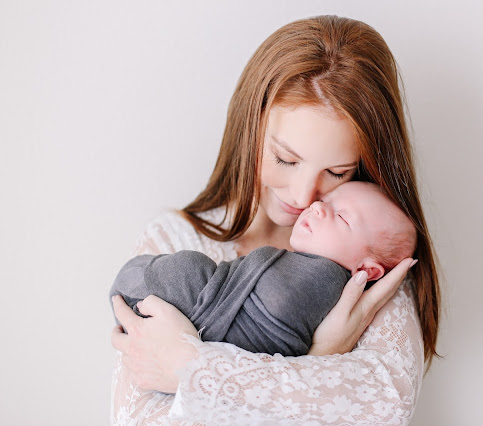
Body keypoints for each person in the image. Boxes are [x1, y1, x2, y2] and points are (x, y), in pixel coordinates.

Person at [111, 15, 440, 424]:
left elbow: (384, 408)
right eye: (286, 158)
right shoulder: (173, 239)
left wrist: (191, 368)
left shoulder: (366, 265)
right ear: (250, 126)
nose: (304, 197)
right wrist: (322, 356)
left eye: (337, 172)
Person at [110, 182, 417, 357]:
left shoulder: (328, 283)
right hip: (177, 313)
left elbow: (277, 311)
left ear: (369, 271)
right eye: (326, 201)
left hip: (206, 317)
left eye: (343, 217)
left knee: (189, 270)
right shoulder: (171, 230)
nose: (316, 206)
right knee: (188, 269)